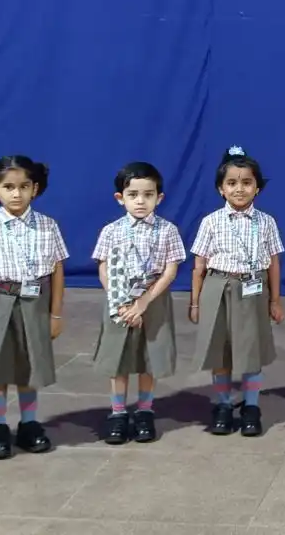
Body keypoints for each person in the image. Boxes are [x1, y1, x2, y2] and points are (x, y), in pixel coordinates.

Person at [0, 155, 67, 460]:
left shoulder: (48, 226)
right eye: (8, 186)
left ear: (35, 188)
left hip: (34, 302)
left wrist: (56, 313)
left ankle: (29, 423)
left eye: (24, 186)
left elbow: (57, 270)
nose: (16, 193)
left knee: (28, 367)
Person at [189, 146, 283, 437]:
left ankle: (252, 406)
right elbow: (199, 265)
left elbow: (274, 262)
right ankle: (223, 404)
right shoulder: (211, 222)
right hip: (218, 286)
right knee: (221, 350)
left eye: (246, 183)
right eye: (232, 183)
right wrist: (195, 303)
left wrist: (275, 300)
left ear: (257, 187)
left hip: (253, 288)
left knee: (251, 348)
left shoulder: (266, 222)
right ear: (221, 188)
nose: (239, 189)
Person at [92, 162, 184, 445]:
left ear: (160, 197)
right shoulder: (111, 231)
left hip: (152, 299)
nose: (141, 201)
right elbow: (104, 266)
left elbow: (170, 269)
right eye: (133, 194)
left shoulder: (167, 230)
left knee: (148, 358)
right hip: (119, 301)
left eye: (148, 194)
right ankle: (118, 412)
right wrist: (119, 301)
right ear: (121, 198)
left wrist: (144, 301)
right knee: (118, 360)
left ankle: (145, 411)